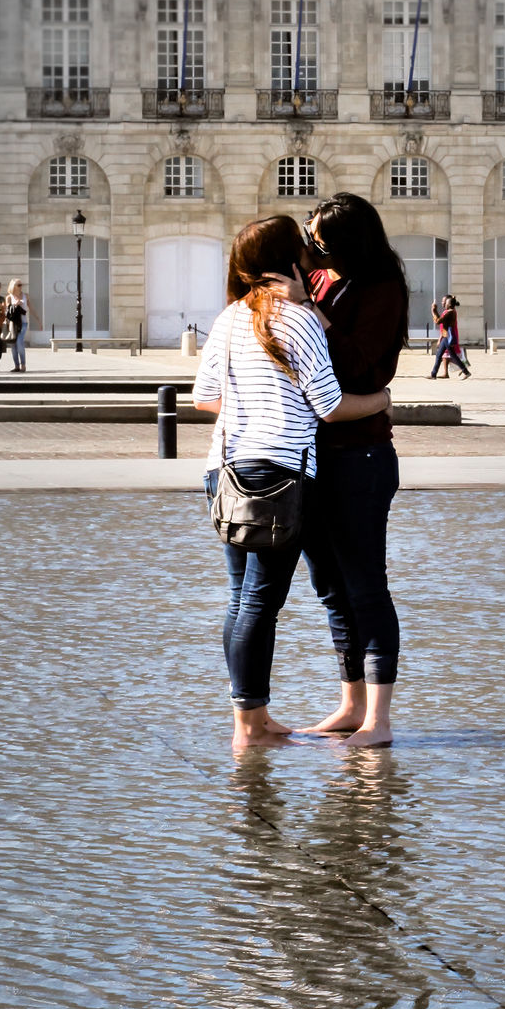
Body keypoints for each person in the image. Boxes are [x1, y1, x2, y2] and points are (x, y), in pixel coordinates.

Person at [193, 215, 392, 750]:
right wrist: (381, 401)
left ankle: (250, 719)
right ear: (288, 259)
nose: (312, 250)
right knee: (261, 601)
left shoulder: (230, 317)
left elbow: (204, 397)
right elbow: (329, 407)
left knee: (240, 600)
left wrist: (251, 407)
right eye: (303, 245)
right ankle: (251, 731)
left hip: (223, 471)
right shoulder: (299, 320)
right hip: (278, 475)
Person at [265, 193, 409, 747]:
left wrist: (313, 311)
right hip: (315, 453)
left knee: (366, 584)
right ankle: (351, 704)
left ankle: (379, 719)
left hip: (361, 455)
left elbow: (359, 367)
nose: (311, 245)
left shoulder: (382, 290)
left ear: (348, 244)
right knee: (329, 587)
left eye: (319, 238)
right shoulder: (323, 279)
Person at [430, 295, 471, 380]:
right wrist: (435, 311)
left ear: (449, 304)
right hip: (446, 337)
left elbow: (438, 321)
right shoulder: (450, 311)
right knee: (439, 355)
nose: (444, 304)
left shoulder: (450, 312)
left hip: (448, 338)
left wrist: (433, 310)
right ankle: (433, 374)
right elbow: (440, 320)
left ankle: (466, 371)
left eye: (446, 303)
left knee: (453, 356)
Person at [5, 279, 38, 373]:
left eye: (21, 284)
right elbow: (7, 311)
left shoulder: (25, 296)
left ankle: (23, 365)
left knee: (19, 342)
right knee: (13, 345)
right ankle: (16, 366)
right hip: (12, 324)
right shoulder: (9, 297)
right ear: (13, 286)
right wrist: (15, 304)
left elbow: (31, 308)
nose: (20, 286)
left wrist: (38, 319)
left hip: (23, 323)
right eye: (18, 285)